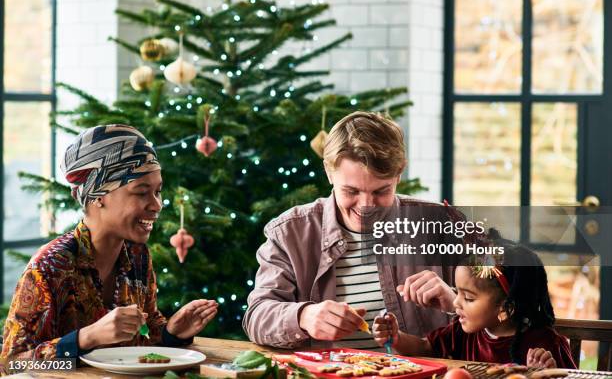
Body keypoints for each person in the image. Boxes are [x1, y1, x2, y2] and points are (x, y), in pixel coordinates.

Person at [243, 111, 458, 349]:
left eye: (380, 191)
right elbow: (256, 317)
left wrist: (456, 302)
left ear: (399, 173)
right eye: (351, 191)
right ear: (328, 172)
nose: (366, 206)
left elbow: (502, 316)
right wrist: (304, 316)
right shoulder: (290, 232)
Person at [1, 125, 217, 360]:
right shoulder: (50, 266)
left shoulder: (137, 255)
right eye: (142, 192)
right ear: (98, 196)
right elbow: (11, 365)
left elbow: (143, 335)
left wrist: (171, 332)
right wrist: (86, 338)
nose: (157, 205)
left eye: (158, 191)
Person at [372, 239, 577, 368]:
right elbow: (426, 348)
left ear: (506, 308)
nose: (455, 301)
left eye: (468, 298)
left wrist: (543, 372)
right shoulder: (461, 332)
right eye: (457, 292)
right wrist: (396, 337)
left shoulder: (545, 344)